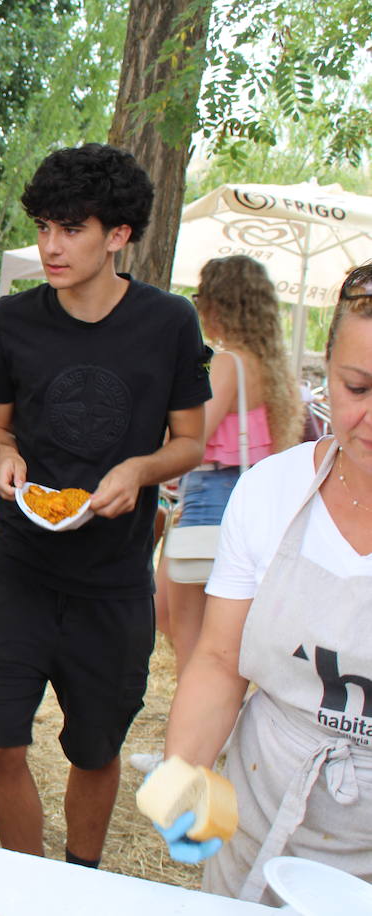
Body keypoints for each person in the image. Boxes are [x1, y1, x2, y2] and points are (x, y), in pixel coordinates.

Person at [0, 143, 210, 869]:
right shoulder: (13, 320)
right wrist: (5, 456)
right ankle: (31, 882)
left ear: (117, 234)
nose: (50, 247)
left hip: (113, 584)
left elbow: (190, 442)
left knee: (96, 750)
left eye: (70, 229)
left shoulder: (169, 323)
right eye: (43, 228)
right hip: (17, 569)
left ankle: (82, 879)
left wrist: (138, 469)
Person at [154, 263, 372, 904]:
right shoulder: (271, 491)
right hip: (262, 810)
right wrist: (183, 779)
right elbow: (221, 659)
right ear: (327, 369)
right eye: (357, 388)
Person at [163, 255, 302, 678]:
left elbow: (192, 441)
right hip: (252, 510)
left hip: (210, 505)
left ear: (219, 305)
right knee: (209, 635)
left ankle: (192, 743)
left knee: (190, 639)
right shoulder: (273, 369)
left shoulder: (228, 364)